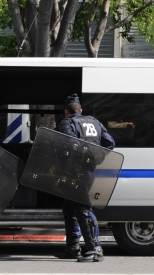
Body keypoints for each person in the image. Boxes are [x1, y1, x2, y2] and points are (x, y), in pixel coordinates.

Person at [54, 94, 115, 262]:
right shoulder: (94, 122)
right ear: (80, 110)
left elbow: (69, 144)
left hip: (75, 170)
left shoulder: (67, 123)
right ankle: (73, 248)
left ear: (66, 112)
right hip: (88, 170)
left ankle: (95, 249)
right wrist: (96, 158)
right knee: (70, 206)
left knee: (83, 208)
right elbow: (110, 143)